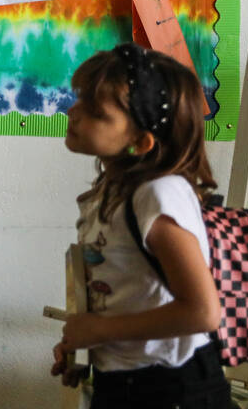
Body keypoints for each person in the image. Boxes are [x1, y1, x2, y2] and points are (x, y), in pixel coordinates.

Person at [50, 43, 229, 409]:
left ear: (141, 141)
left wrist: (100, 330)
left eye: (95, 112)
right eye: (80, 98)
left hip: (172, 389)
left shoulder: (158, 196)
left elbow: (202, 311)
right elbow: (124, 295)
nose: (73, 111)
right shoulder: (112, 191)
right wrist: (86, 346)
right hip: (122, 382)